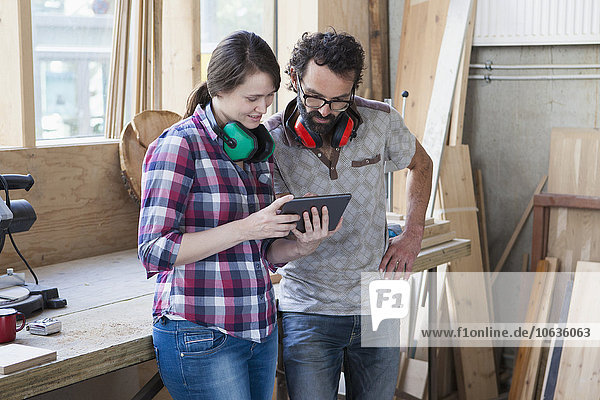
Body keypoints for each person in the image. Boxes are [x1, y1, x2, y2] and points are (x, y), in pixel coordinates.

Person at [138, 30, 339, 400]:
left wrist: (300, 246)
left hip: (258, 329)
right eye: (252, 98)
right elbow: (154, 250)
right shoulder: (179, 146)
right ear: (218, 89)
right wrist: (247, 227)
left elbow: (260, 253)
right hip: (202, 332)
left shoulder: (255, 145)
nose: (263, 108)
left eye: (269, 96)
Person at [263, 30, 433, 399]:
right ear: (294, 78)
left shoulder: (382, 121)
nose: (325, 111)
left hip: (380, 298)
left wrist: (413, 233)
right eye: (315, 97)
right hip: (308, 305)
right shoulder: (269, 140)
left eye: (340, 101)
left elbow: (422, 164)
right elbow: (269, 235)